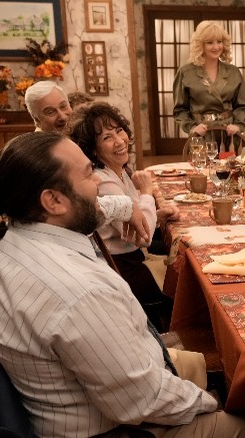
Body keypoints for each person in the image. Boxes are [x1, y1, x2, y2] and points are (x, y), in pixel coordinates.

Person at [0, 131, 245, 437]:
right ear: (54, 200)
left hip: (87, 388)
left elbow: (94, 208)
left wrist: (127, 206)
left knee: (222, 360)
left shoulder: (5, 234)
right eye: (88, 175)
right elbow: (144, 400)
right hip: (118, 426)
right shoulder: (78, 293)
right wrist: (213, 404)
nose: (98, 181)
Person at [68, 102, 179, 331]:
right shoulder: (105, 181)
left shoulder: (116, 170)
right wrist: (147, 193)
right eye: (107, 137)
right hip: (124, 267)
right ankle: (169, 340)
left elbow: (135, 217)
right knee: (183, 286)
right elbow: (144, 237)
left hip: (133, 255)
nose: (119, 141)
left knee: (181, 255)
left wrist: (158, 215)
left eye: (119, 131)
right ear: (92, 149)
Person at [25, 80, 151, 248]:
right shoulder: (41, 155)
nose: (62, 116)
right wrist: (131, 202)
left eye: (64, 107)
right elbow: (78, 205)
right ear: (36, 119)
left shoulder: (69, 141)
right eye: (50, 112)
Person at [173, 20, 245, 151]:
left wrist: (238, 125)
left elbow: (242, 106)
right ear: (200, 45)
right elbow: (180, 110)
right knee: (203, 170)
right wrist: (192, 127)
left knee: (232, 171)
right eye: (210, 42)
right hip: (201, 134)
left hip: (229, 134)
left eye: (219, 41)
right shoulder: (185, 72)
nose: (216, 47)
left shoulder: (233, 72)